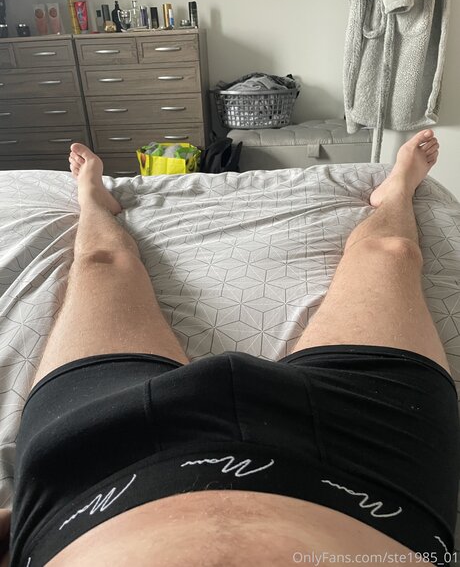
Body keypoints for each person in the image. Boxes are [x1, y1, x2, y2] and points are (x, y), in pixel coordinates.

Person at [2, 130, 459, 567]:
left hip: (94, 469)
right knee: (390, 252)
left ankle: (91, 198)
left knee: (102, 262)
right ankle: (397, 191)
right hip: (375, 472)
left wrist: (28, 528)